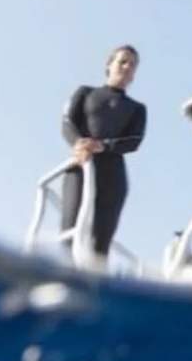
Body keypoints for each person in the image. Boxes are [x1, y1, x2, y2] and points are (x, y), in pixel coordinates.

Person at [61, 45, 146, 258]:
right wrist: (80, 143)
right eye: (122, 61)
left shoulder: (136, 108)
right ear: (109, 65)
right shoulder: (85, 92)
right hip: (81, 166)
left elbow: (134, 141)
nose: (127, 66)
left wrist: (102, 146)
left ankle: (95, 286)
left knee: (100, 245)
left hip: (112, 175)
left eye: (132, 64)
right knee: (69, 234)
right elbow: (67, 122)